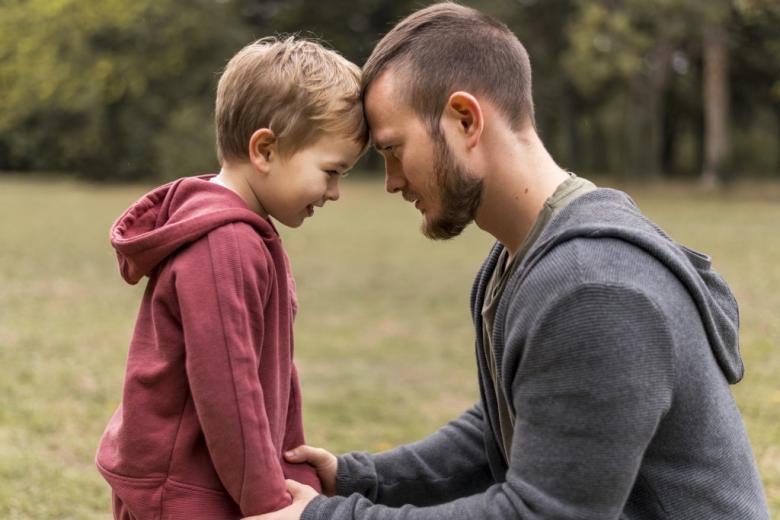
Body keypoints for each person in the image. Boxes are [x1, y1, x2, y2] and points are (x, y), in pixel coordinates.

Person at [246, 3, 770, 520]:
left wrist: (330, 517)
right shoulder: (523, 256)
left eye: (394, 150)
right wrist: (362, 479)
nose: (392, 181)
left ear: (465, 119)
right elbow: (506, 427)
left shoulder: (595, 286)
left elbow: (544, 514)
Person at [95, 37, 367, 519]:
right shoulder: (226, 243)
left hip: (210, 481)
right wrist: (268, 505)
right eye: (330, 171)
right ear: (265, 149)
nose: (335, 192)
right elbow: (229, 389)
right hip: (183, 490)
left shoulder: (242, 233)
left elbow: (265, 368)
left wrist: (289, 468)